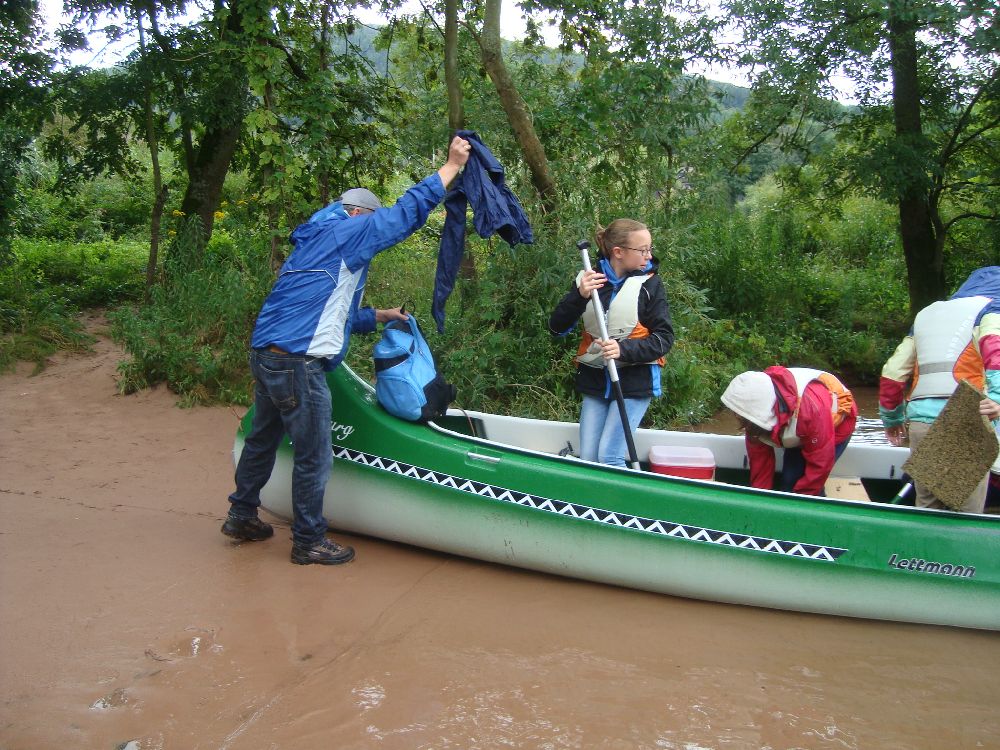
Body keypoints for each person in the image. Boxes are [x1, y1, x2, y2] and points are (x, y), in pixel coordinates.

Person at [222, 135, 472, 565]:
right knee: (314, 454)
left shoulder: (314, 238)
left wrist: (378, 315)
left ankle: (242, 515)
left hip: (269, 354)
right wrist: (450, 167)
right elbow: (400, 217)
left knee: (263, 439)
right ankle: (308, 541)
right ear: (358, 214)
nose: (368, 237)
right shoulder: (348, 229)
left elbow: (324, 312)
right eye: (367, 223)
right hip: (298, 363)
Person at [548, 219, 674, 467]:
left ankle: (628, 504)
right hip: (596, 379)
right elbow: (556, 328)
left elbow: (664, 338)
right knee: (589, 458)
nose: (649, 256)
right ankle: (591, 505)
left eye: (649, 248)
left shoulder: (650, 285)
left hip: (635, 381)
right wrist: (578, 296)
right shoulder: (590, 282)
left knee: (609, 455)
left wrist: (623, 349)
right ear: (618, 252)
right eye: (643, 250)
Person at [879, 266, 1000, 513]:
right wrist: (998, 398)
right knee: (964, 514)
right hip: (965, 417)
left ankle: (915, 553)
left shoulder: (927, 313)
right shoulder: (992, 310)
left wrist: (892, 418)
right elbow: (995, 354)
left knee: (928, 507)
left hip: (921, 420)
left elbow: (892, 373)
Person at [721, 366, 858, 496]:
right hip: (802, 426)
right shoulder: (754, 417)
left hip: (835, 426)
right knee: (788, 480)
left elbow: (820, 463)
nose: (737, 416)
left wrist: (799, 502)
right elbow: (760, 462)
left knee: (794, 483)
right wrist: (760, 499)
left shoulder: (811, 410)